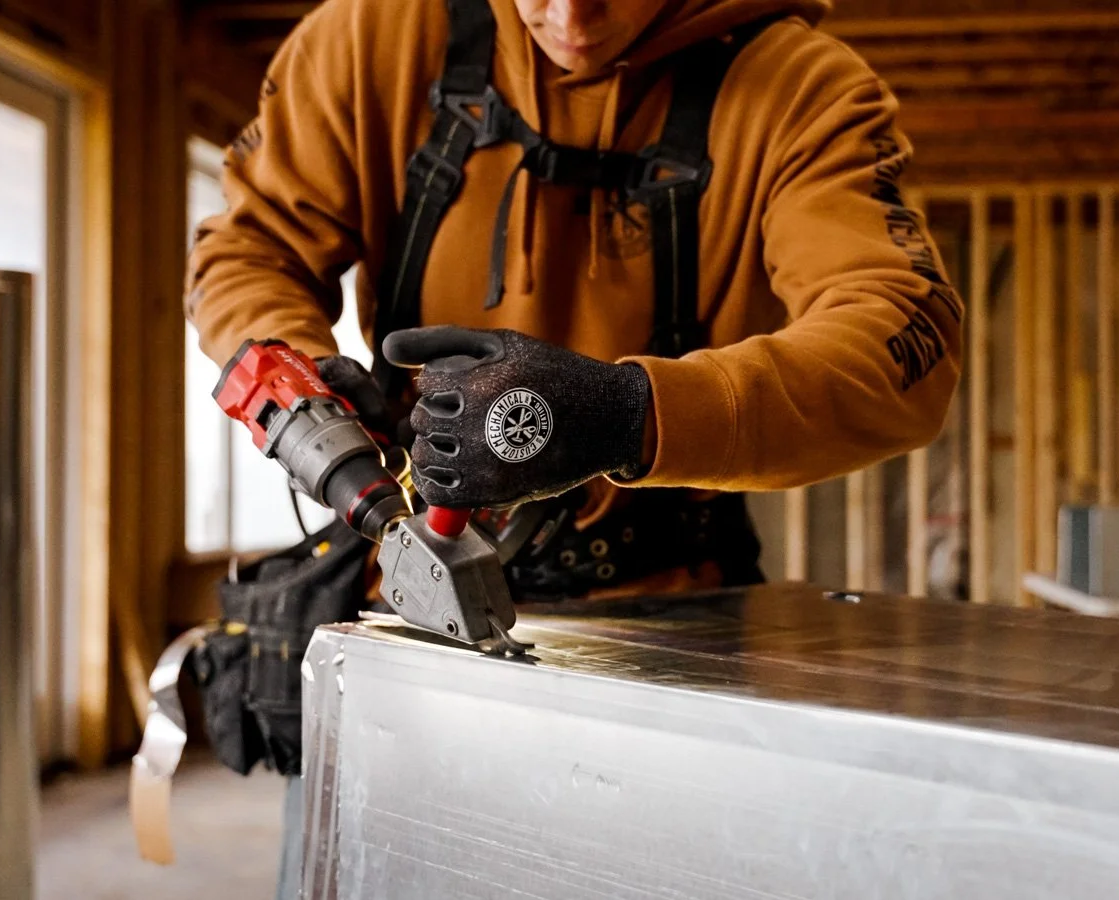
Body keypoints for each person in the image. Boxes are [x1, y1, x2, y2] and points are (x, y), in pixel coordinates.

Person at [184, 0, 963, 893]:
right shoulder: (371, 41)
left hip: (677, 629)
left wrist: (635, 413)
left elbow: (907, 339)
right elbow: (247, 252)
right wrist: (308, 374)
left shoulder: (798, 89)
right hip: (408, 622)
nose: (572, 15)